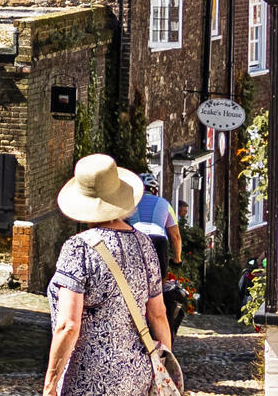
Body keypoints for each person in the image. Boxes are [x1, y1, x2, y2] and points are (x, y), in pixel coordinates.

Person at [43, 154, 174, 396]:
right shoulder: (144, 244)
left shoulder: (78, 248)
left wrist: (50, 385)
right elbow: (158, 314)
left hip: (88, 378)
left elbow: (68, 326)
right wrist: (162, 365)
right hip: (137, 374)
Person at [128, 175, 187, 334]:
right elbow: (175, 236)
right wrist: (177, 259)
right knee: (159, 284)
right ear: (155, 191)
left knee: (133, 280)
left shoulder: (130, 203)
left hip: (136, 238)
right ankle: (157, 320)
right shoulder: (165, 204)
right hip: (158, 240)